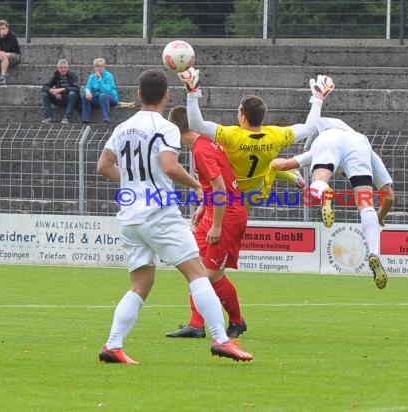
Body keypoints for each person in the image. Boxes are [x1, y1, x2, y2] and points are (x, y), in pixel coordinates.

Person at [96, 68, 253, 363]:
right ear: (167, 95)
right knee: (197, 274)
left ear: (139, 95)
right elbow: (169, 166)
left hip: (130, 215)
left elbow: (103, 166)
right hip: (158, 211)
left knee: (140, 285)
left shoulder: (122, 128)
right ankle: (221, 339)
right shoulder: (165, 127)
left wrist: (133, 183)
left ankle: (113, 345)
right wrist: (196, 186)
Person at [177, 67, 334, 204]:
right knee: (269, 165)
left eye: (239, 110)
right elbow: (309, 128)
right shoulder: (275, 135)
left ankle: (291, 174)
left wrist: (192, 92)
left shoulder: (231, 135)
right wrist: (318, 99)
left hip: (234, 192)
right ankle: (292, 176)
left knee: (215, 152)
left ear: (243, 117)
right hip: (259, 193)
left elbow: (196, 124)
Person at [271, 118, 393, 290]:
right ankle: (374, 251)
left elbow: (283, 164)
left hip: (327, 141)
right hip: (359, 145)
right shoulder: (365, 147)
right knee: (366, 206)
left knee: (316, 185)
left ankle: (324, 191)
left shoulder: (324, 139)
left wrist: (266, 163)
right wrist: (378, 217)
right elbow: (389, 197)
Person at [165, 105, 248, 339]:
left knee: (209, 275)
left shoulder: (201, 149)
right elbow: (216, 183)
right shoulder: (205, 142)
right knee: (195, 266)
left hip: (227, 217)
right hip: (214, 212)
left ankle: (232, 322)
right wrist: (204, 207)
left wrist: (217, 225)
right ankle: (198, 324)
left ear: (175, 129)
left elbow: (221, 187)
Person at [41, 59, 80, 124]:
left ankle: (67, 117)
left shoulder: (73, 75)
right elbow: (44, 87)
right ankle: (48, 117)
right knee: (45, 94)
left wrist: (61, 90)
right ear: (58, 68)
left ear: (68, 67)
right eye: (61, 68)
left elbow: (76, 88)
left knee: (72, 94)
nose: (63, 69)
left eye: (65, 67)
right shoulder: (56, 75)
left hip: (70, 99)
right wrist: (53, 91)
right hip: (59, 98)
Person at [81, 58, 118, 124]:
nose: (98, 68)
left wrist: (100, 80)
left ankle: (106, 119)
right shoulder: (92, 77)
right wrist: (88, 91)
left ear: (104, 67)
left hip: (110, 97)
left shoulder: (109, 76)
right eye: (97, 67)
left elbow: (107, 90)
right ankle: (85, 119)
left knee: (103, 96)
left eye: (100, 66)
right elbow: (87, 87)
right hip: (98, 97)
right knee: (85, 96)